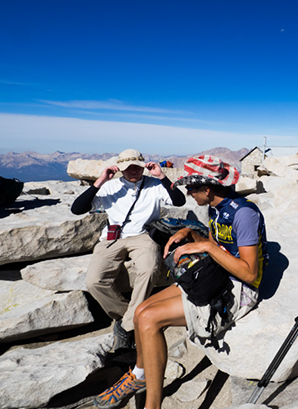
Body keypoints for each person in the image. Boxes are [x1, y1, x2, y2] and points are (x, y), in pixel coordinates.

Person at [92, 155, 267, 409]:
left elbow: (250, 273)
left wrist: (205, 244)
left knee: (151, 319)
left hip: (238, 290)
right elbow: (220, 244)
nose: (189, 193)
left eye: (192, 188)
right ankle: (139, 375)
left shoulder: (245, 214)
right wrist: (191, 233)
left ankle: (152, 405)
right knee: (141, 312)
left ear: (207, 189)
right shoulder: (217, 207)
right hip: (217, 275)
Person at [71, 149, 185, 351]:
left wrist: (161, 175)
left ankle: (126, 327)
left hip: (142, 236)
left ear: (143, 167)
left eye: (136, 167)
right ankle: (130, 316)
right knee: (94, 281)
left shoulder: (155, 185)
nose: (133, 171)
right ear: (120, 168)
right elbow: (77, 208)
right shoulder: (110, 187)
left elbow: (179, 200)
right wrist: (100, 180)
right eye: (127, 167)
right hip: (112, 238)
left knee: (149, 270)